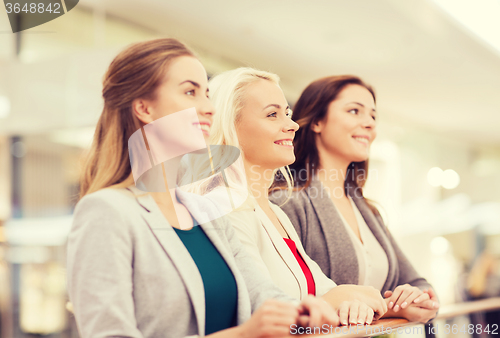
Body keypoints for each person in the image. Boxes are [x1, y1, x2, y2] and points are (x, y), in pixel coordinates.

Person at [66, 38, 338, 338]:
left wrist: (300, 312)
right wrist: (242, 334)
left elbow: (262, 293)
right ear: (144, 107)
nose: (208, 108)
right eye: (190, 92)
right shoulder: (106, 211)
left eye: (207, 94)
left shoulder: (205, 207)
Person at [207, 67, 389, 326]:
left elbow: (324, 290)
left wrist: (359, 300)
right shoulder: (224, 206)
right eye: (272, 114)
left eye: (288, 114)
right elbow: (260, 309)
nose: (292, 125)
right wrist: (337, 299)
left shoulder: (274, 211)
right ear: (230, 125)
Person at [270, 75, 439, 323]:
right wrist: (388, 307)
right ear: (317, 121)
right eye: (354, 111)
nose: (369, 124)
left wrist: (414, 297)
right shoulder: (286, 203)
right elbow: (284, 301)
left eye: (372, 115)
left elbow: (420, 285)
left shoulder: (369, 211)